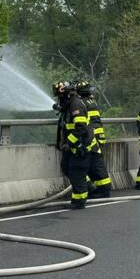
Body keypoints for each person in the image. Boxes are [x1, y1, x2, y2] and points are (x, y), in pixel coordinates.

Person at [52, 80, 100, 209]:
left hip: (80, 147)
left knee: (77, 172)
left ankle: (79, 201)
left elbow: (81, 128)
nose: (59, 99)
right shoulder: (70, 104)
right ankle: (88, 187)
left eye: (60, 96)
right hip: (72, 147)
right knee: (66, 167)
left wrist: (69, 143)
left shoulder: (76, 105)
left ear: (67, 94)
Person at [75, 80, 112, 199]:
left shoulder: (82, 103)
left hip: (90, 138)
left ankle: (98, 189)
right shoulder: (92, 101)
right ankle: (102, 189)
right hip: (97, 136)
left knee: (88, 163)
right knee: (96, 163)